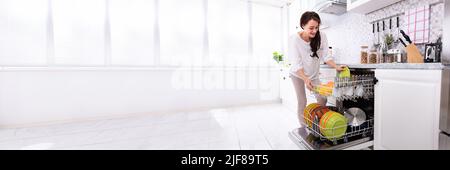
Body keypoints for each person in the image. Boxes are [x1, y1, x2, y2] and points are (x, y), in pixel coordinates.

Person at [288, 11, 346, 126]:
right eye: (311, 28)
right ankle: (304, 127)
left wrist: (336, 67)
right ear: (303, 25)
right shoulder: (294, 39)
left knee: (322, 98)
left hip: (313, 75)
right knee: (302, 101)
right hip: (298, 75)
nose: (314, 31)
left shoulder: (322, 36)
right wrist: (305, 79)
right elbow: (296, 63)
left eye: (317, 27)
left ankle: (320, 123)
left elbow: (326, 56)